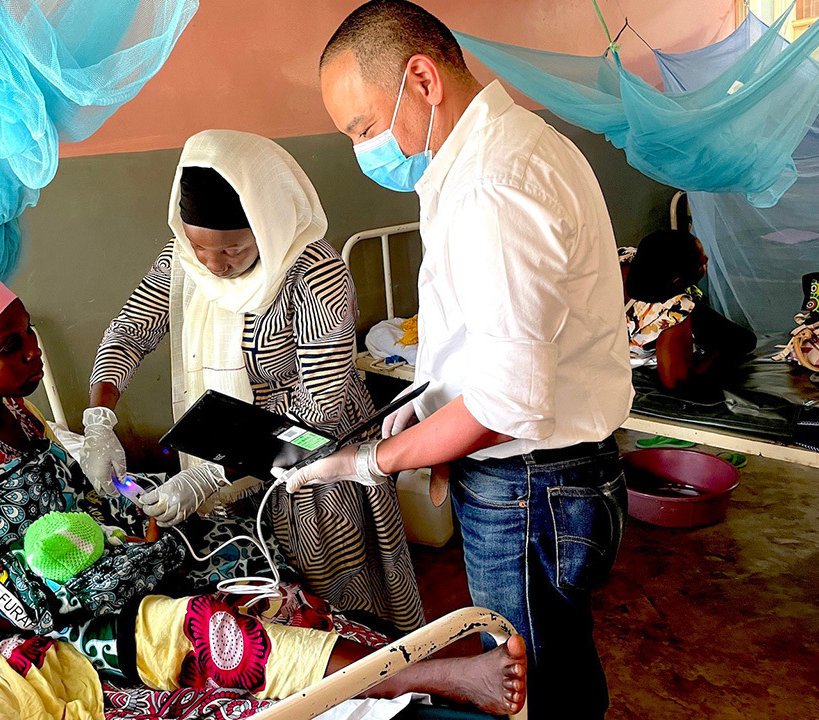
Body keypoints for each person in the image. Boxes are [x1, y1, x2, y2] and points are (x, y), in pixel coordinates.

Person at [0, 266, 527, 718]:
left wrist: (130, 504)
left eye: (29, 334)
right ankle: (430, 677)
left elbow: (74, 509)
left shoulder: (13, 410)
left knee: (231, 553)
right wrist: (74, 604)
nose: (33, 354)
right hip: (1, 629)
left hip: (75, 575)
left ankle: (367, 656)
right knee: (186, 626)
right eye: (10, 347)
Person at [280, 2, 635, 718]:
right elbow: (491, 337)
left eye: (364, 128)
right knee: (557, 659)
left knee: (532, 682)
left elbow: (506, 402)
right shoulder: (499, 152)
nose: (364, 149)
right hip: (540, 478)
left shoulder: (492, 183)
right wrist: (427, 399)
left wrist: (373, 462)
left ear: (422, 79)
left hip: (529, 484)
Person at [83, 129, 424, 632]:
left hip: (312, 462)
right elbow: (130, 331)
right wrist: (99, 418)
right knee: (260, 604)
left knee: (330, 602)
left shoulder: (313, 273)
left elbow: (319, 409)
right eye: (198, 246)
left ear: (267, 225)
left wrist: (210, 475)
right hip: (227, 446)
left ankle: (377, 667)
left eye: (233, 249)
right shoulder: (183, 261)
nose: (212, 264)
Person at [621, 229, 757, 393]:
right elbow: (675, 382)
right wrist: (716, 358)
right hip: (664, 314)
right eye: (702, 263)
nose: (707, 259)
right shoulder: (674, 311)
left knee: (738, 338)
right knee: (742, 341)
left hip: (650, 306)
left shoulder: (623, 259)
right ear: (678, 281)